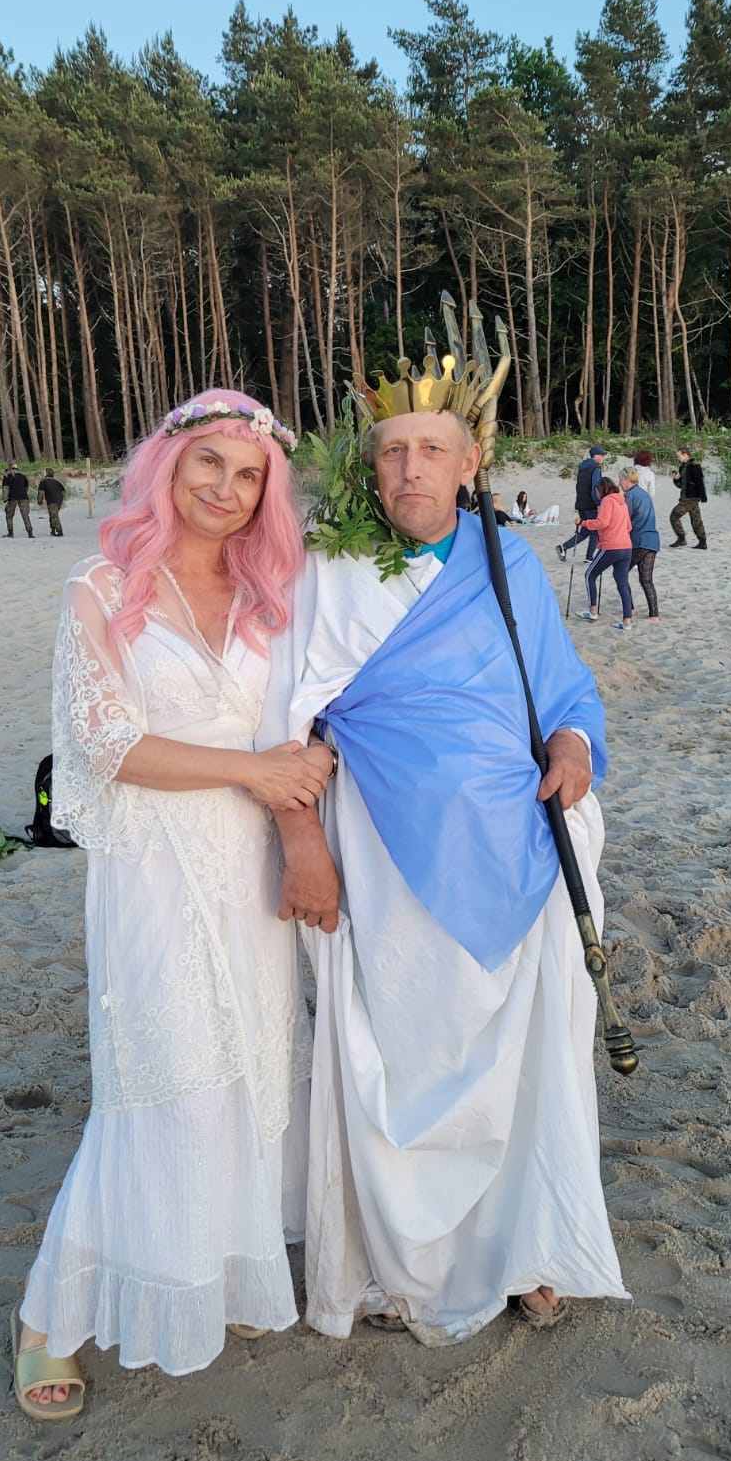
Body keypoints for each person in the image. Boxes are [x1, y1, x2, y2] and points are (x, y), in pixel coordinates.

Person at [258, 378, 627, 1345]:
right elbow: (284, 721)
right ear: (370, 468)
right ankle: (406, 1264)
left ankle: (524, 1249)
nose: (411, 468)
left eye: (432, 450)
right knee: (403, 1057)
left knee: (525, 1060)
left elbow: (565, 691)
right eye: (393, 450)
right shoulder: (331, 572)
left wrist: (573, 747)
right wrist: (303, 844)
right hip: (382, 857)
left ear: (471, 464)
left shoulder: (510, 561)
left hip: (518, 847)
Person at [11, 390, 333, 1420]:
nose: (226, 490)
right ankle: (48, 1317)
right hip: (154, 868)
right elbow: (106, 744)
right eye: (209, 465)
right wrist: (256, 771)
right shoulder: (102, 585)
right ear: (167, 465)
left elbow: (307, 718)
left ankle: (231, 1268)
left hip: (251, 864)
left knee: (253, 1067)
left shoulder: (272, 589)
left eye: (249, 476)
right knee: (163, 1078)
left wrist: (295, 796)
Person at [576, 477, 633, 631]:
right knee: (622, 582)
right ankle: (627, 621)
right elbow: (628, 526)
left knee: (590, 575)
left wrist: (583, 523)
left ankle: (593, 612)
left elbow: (602, 523)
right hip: (626, 547)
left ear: (601, 490)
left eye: (597, 491)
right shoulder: (622, 502)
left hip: (611, 547)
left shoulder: (607, 501)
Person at [620, 467, 660, 622]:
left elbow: (625, 519)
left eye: (621, 480)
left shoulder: (630, 496)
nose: (619, 483)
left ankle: (630, 608)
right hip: (652, 540)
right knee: (646, 579)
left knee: (621, 573)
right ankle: (654, 614)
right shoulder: (645, 494)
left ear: (626, 479)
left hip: (638, 540)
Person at [556, 444, 605, 562]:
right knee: (594, 531)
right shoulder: (596, 468)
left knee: (585, 531)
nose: (603, 457)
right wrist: (598, 503)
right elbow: (595, 488)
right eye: (602, 455)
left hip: (581, 503)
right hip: (590, 504)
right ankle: (589, 557)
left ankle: (564, 547)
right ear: (597, 456)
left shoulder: (583, 466)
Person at [670, 448, 707, 549]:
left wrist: (702, 496)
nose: (678, 458)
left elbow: (700, 482)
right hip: (685, 497)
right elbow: (681, 485)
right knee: (696, 519)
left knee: (674, 515)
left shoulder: (695, 466)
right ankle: (702, 542)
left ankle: (681, 538)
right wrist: (676, 479)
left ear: (685, 454)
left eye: (679, 456)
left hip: (691, 498)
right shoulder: (682, 467)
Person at [2, 464, 34, 538]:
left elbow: (5, 488)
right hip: (23, 497)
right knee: (25, 515)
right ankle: (30, 533)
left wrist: (5, 499)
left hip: (12, 497)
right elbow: (26, 486)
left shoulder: (6, 475)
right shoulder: (23, 475)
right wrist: (24, 493)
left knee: (9, 516)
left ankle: (10, 533)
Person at [37, 468, 66, 536]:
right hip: (59, 500)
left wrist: (39, 501)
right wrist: (60, 499)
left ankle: (59, 531)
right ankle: (53, 530)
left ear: (46, 473)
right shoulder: (57, 482)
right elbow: (63, 491)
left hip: (51, 500)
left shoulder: (43, 481)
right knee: (52, 515)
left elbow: (41, 492)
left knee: (54, 516)